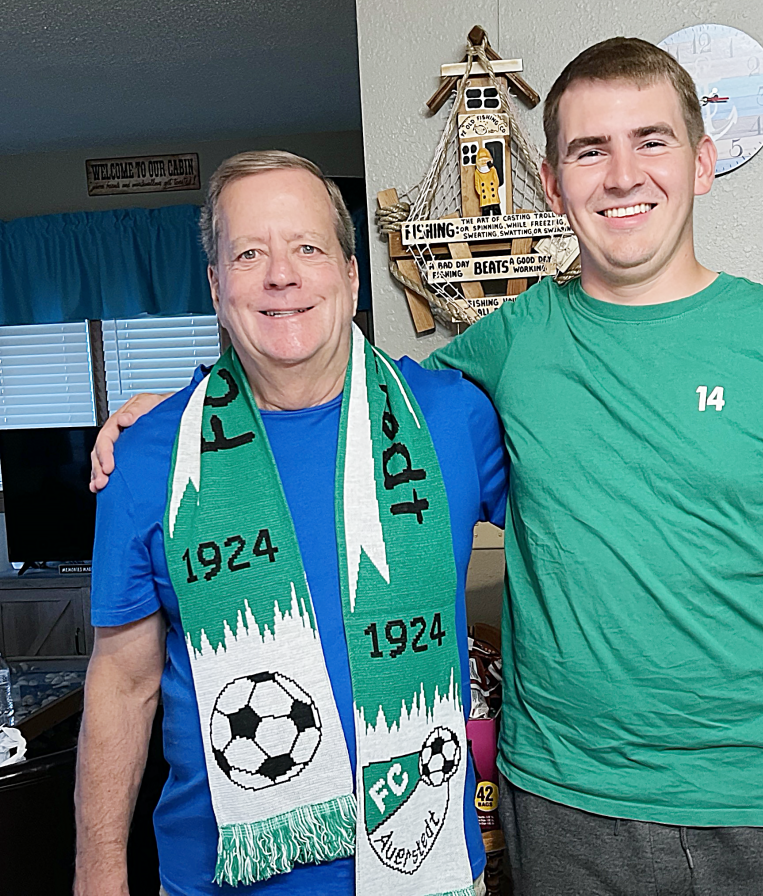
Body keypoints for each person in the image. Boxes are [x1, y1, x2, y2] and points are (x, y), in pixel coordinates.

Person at [91, 38, 763, 896]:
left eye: (653, 141)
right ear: (553, 185)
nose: (623, 175)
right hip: (565, 802)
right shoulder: (503, 353)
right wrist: (184, 411)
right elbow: (319, 369)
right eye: (590, 150)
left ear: (703, 162)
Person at [75, 150, 507, 896]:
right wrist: (98, 874)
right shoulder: (147, 459)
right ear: (216, 285)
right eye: (249, 253)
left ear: (351, 273)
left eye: (308, 247)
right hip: (215, 878)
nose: (282, 275)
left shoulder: (454, 417)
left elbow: (583, 519)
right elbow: (123, 685)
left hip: (426, 863)